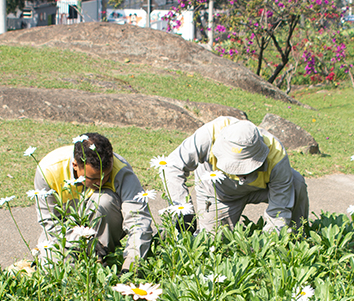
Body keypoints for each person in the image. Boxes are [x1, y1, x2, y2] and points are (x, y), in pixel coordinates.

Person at [162, 116, 309, 232]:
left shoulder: (276, 154)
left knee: (296, 183)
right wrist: (183, 209)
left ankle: (295, 240)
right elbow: (172, 166)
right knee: (212, 246)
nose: (240, 175)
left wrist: (268, 247)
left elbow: (279, 211)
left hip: (262, 189)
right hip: (218, 193)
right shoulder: (209, 135)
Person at [34, 132, 153, 271]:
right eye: (94, 179)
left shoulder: (121, 169)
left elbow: (138, 221)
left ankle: (104, 260)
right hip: (65, 230)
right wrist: (83, 240)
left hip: (104, 227)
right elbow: (50, 224)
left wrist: (131, 266)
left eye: (106, 175)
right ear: (75, 165)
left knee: (103, 202)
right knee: (53, 266)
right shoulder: (48, 171)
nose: (101, 182)